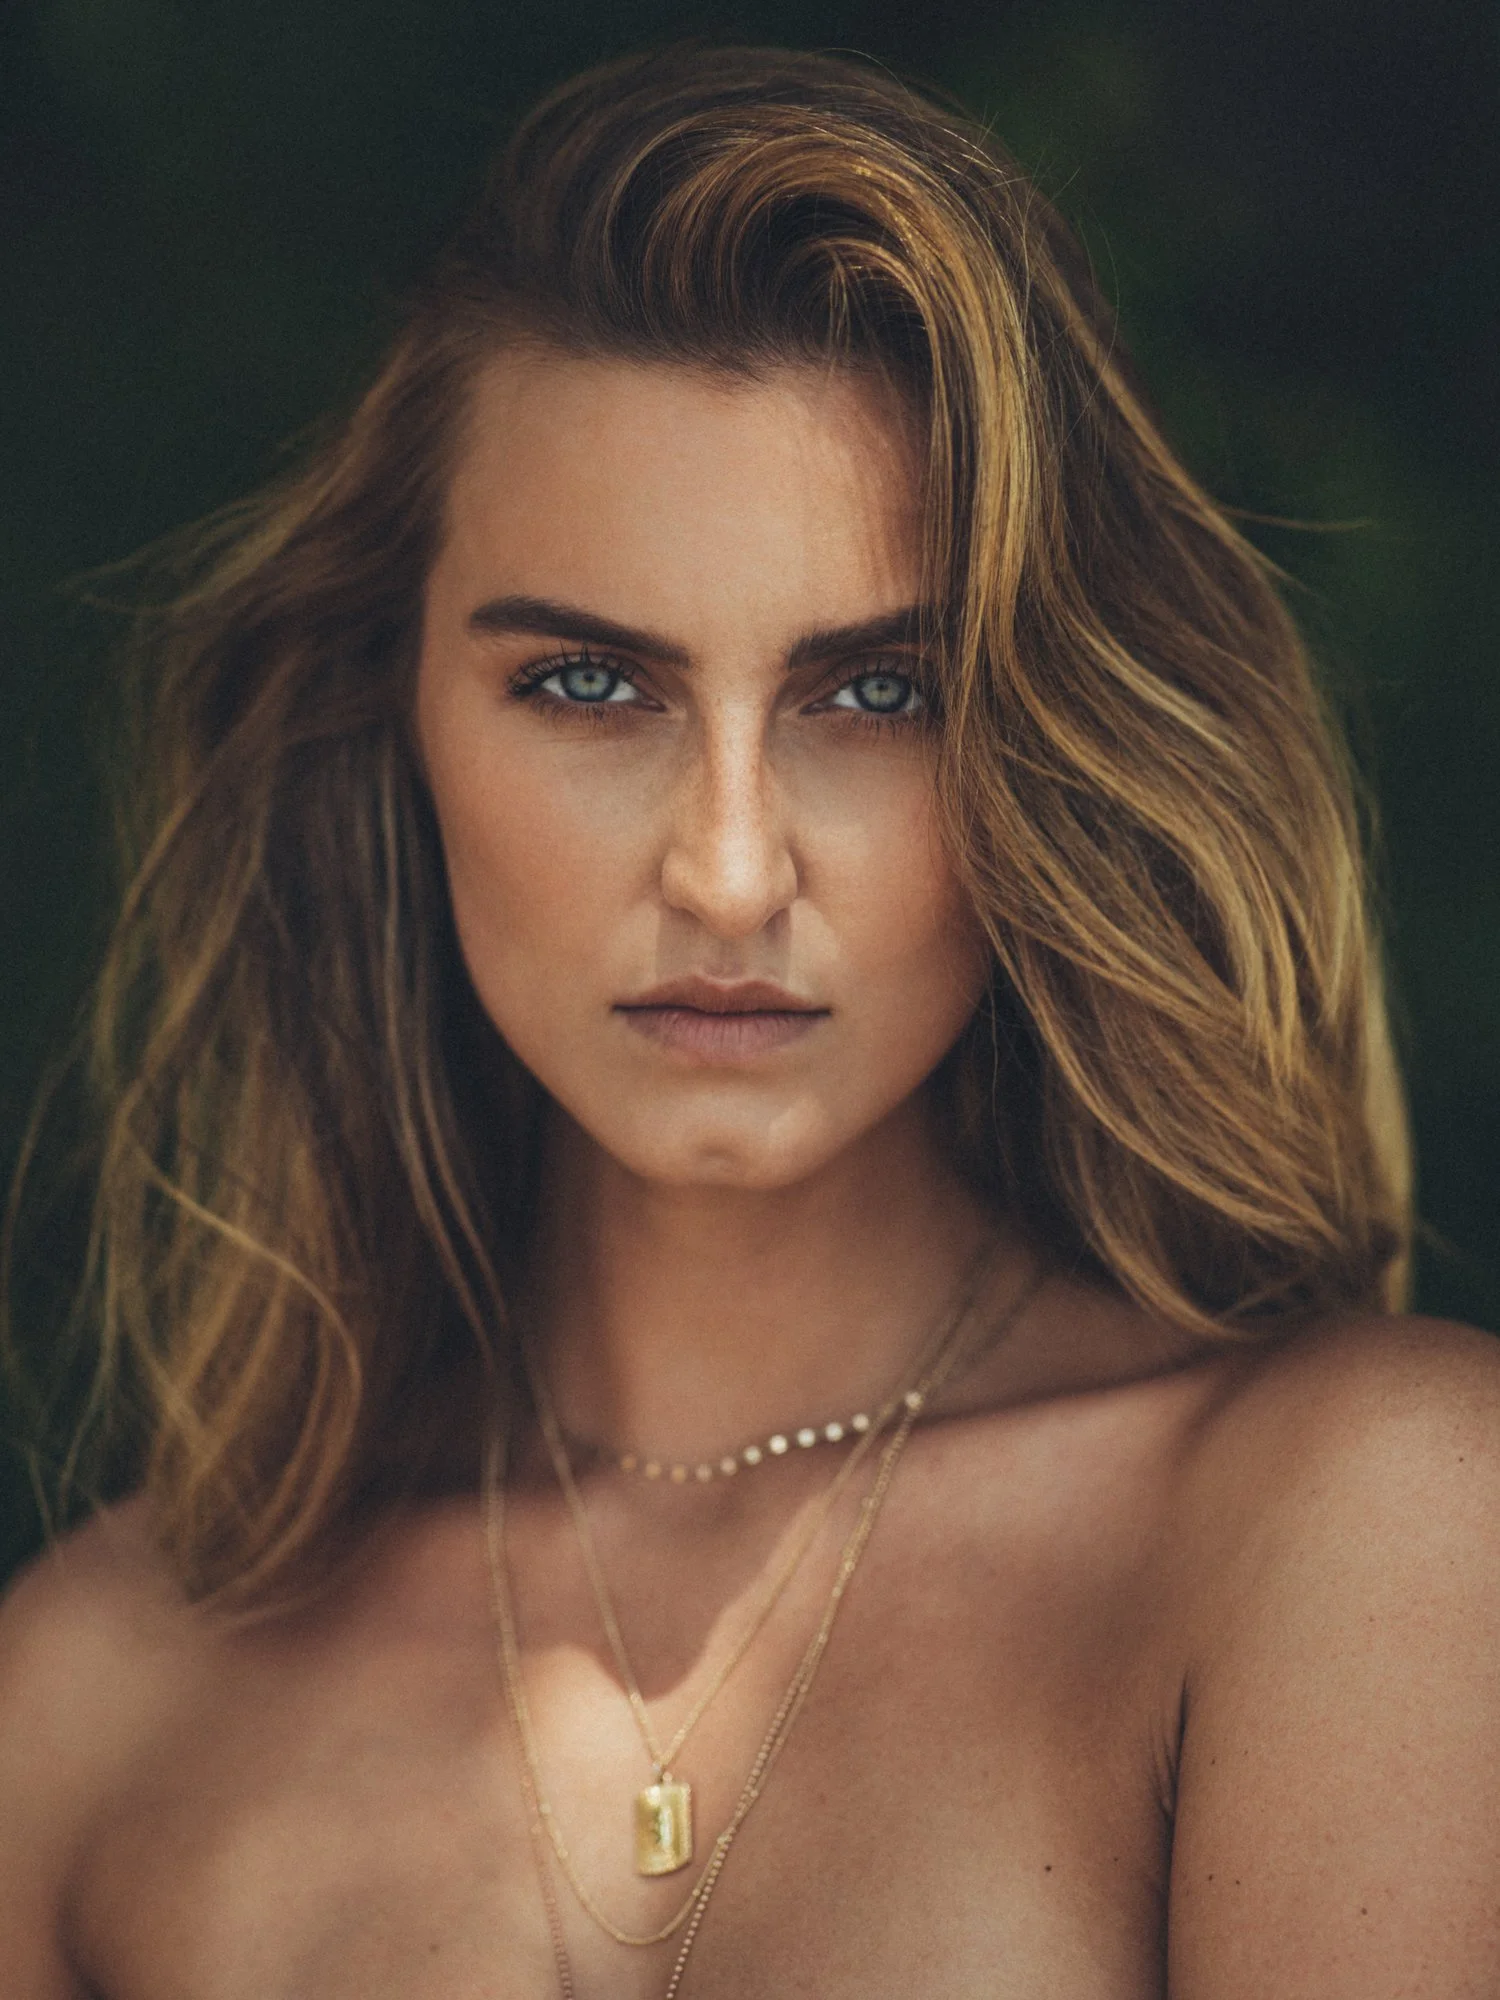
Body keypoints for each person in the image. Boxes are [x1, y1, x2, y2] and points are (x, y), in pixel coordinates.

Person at [1, 43, 1496, 2000]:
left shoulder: (1367, 1523)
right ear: (396, 715)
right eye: (587, 685)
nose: (726, 870)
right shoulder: (93, 1705)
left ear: (1044, 743)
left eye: (877, 694)